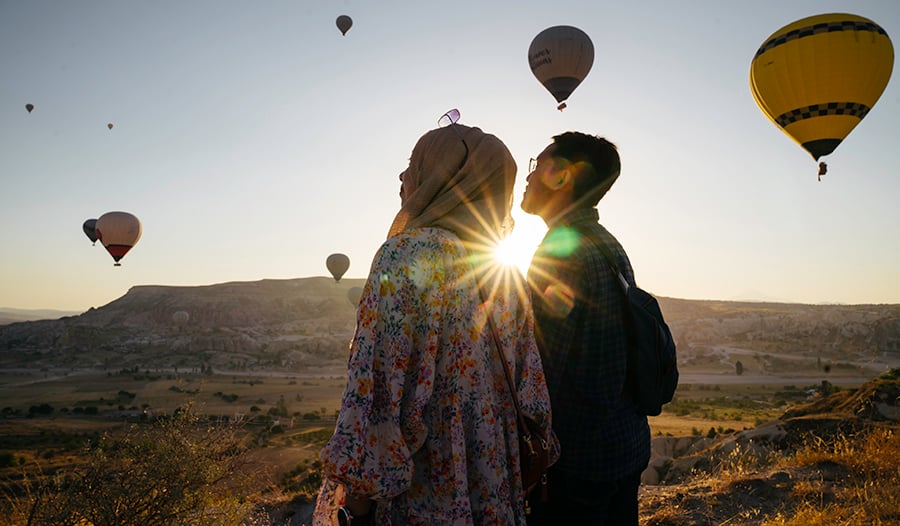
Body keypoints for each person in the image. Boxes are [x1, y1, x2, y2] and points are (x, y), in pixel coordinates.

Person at [312, 112, 558, 526]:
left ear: (443, 177)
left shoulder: (405, 255)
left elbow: (376, 392)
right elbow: (532, 390)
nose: (403, 176)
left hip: (424, 481)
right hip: (494, 477)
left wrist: (357, 499)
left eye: (414, 165)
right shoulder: (506, 271)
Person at [521, 132, 650, 525]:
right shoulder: (607, 243)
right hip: (623, 445)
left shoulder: (562, 251)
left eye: (536, 166)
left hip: (578, 462)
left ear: (562, 176)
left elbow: (540, 370)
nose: (527, 178)